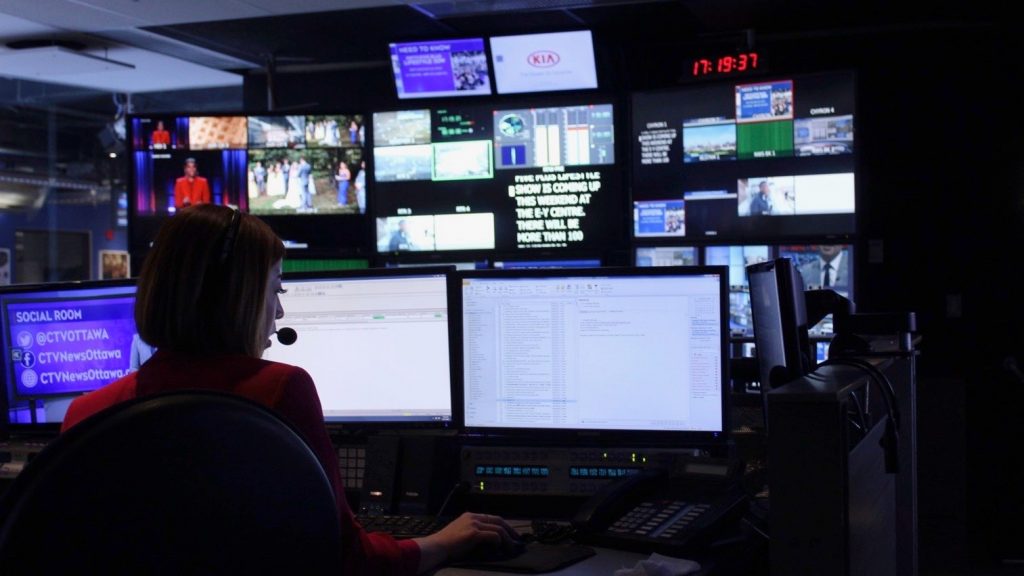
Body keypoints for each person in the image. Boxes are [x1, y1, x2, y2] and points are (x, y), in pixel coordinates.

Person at [61, 205, 519, 575]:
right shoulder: (279, 390)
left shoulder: (86, 414)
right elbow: (346, 560)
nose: (277, 313)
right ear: (240, 297)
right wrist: (442, 542)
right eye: (274, 290)